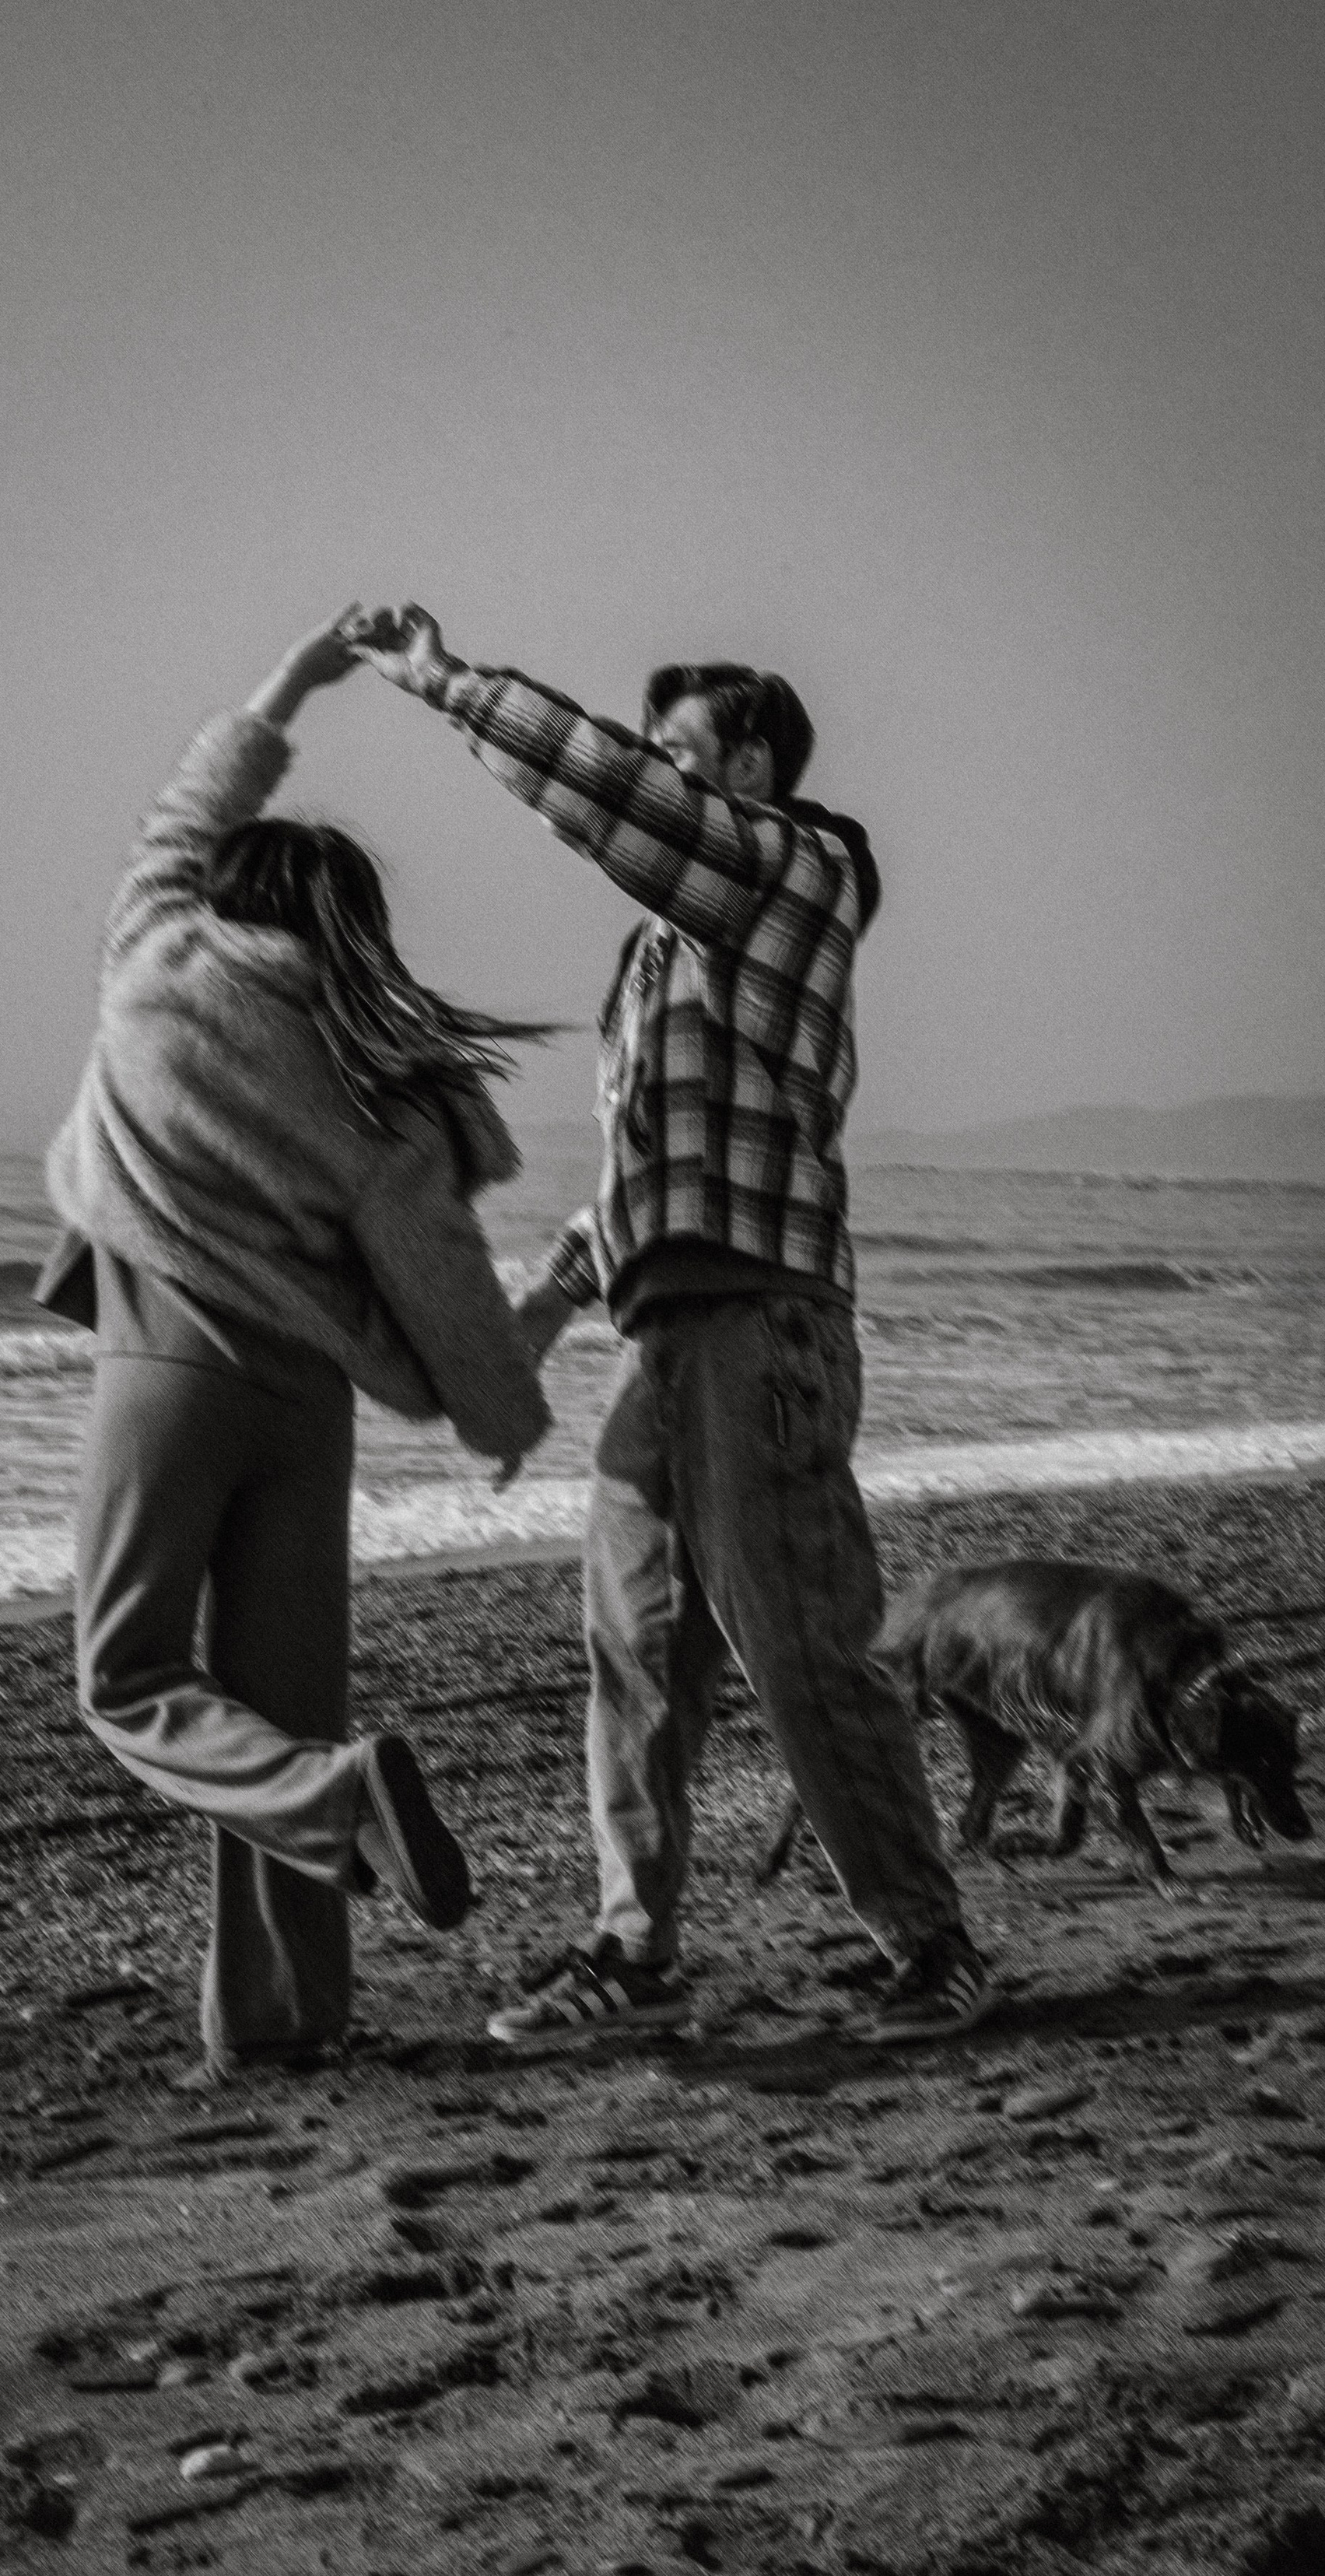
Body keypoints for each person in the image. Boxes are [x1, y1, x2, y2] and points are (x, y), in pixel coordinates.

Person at [343, 605, 995, 2045]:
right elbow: (648, 1176)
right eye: (655, 749)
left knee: (803, 1645)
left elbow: (613, 797)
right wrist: (538, 1310)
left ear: (751, 765)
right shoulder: (661, 955)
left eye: (681, 749)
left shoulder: (797, 870)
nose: (657, 766)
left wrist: (444, 682)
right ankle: (632, 1954)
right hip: (670, 1339)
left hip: (767, 1331)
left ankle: (931, 1943)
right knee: (635, 1649)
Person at [41, 612, 552, 2080]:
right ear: (356, 937)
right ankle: (283, 2019)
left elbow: (185, 808)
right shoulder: (377, 1078)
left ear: (222, 892)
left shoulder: (153, 960)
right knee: (284, 1704)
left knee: (130, 1681)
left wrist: (298, 679)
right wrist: (502, 1420)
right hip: (305, 1406)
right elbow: (442, 1278)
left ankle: (337, 1804)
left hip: (167, 1377)